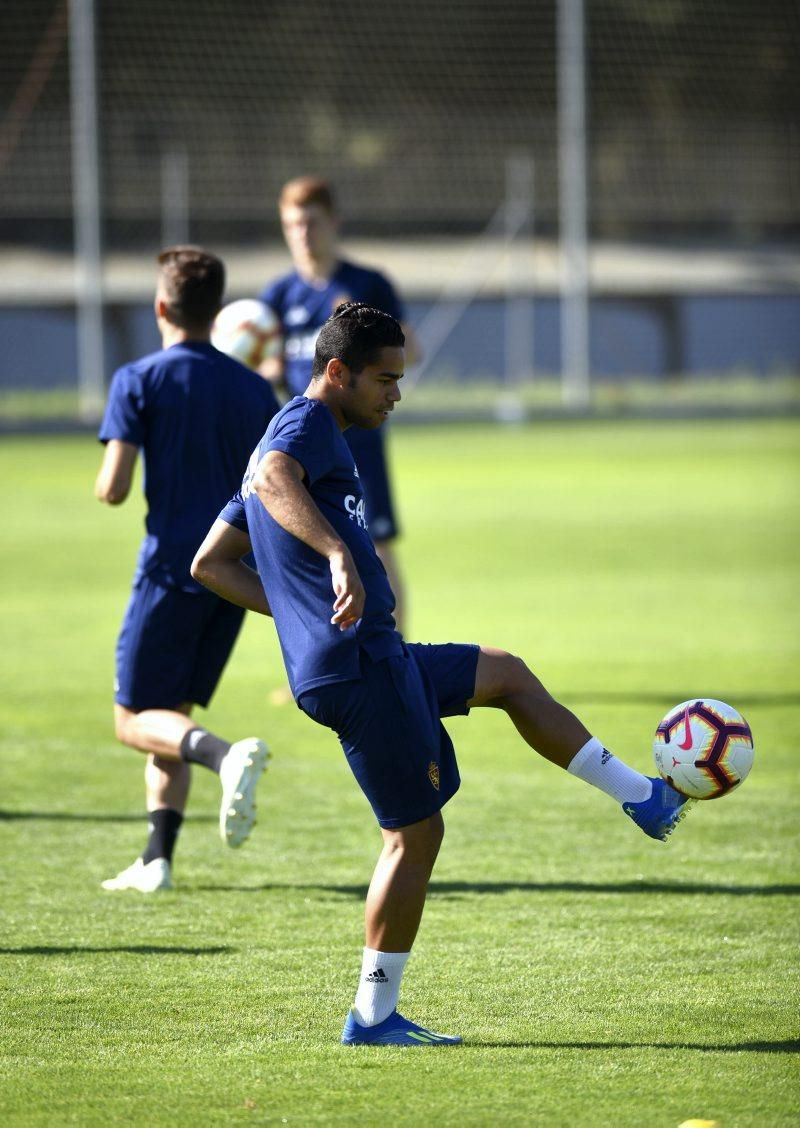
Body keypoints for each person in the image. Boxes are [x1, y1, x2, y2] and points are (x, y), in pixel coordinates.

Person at [191, 302, 691, 1045]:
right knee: (414, 837)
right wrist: (332, 559)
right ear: (338, 373)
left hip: (377, 655)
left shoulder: (312, 432)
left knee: (507, 675)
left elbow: (211, 563)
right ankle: (373, 1017)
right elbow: (270, 479)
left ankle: (644, 799)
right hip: (360, 669)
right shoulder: (298, 430)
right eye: (385, 379)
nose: (397, 392)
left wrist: (301, 610)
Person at [94, 245, 281, 893]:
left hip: (171, 570)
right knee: (169, 712)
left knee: (133, 718)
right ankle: (156, 860)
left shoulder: (138, 379)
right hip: (233, 575)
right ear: (218, 312)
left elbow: (113, 487)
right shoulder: (255, 388)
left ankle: (225, 756)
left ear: (161, 307)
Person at [258, 175, 419, 633]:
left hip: (357, 444)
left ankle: (396, 656)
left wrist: (358, 339)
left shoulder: (367, 285)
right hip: (301, 446)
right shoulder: (277, 296)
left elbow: (413, 347)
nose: (301, 234)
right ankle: (319, 659)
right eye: (291, 225)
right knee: (305, 554)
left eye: (310, 222)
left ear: (333, 222)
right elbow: (260, 361)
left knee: (377, 545)